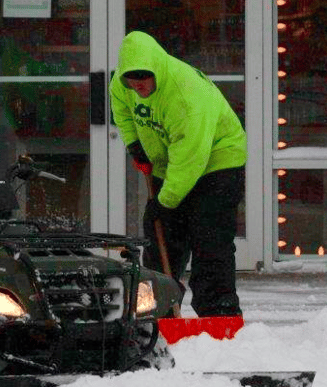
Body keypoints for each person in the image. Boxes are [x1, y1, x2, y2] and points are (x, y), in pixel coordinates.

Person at [109, 31, 247, 318]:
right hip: (171, 163)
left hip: (217, 163)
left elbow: (190, 157)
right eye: (132, 79)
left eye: (144, 78)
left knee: (209, 242)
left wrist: (166, 200)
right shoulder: (122, 86)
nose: (139, 85)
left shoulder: (185, 94)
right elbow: (122, 111)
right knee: (161, 240)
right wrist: (135, 145)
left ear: (156, 69)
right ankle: (159, 313)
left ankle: (218, 316)